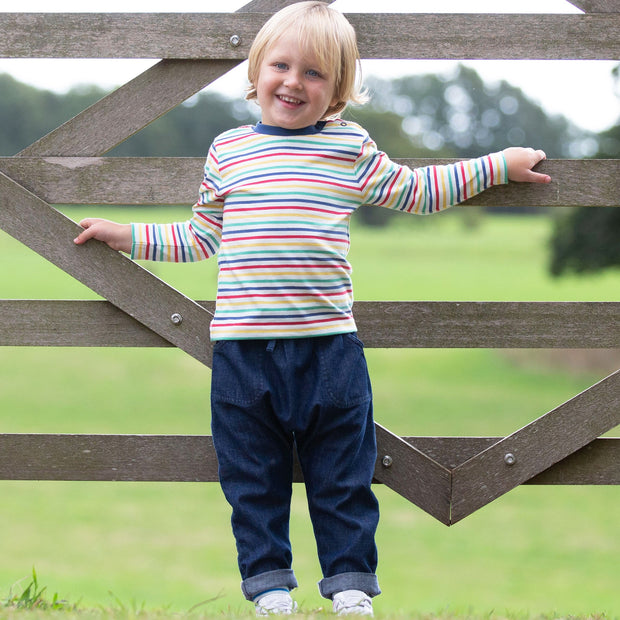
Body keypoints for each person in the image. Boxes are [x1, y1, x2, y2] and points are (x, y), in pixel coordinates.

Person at [74, 2, 551, 616]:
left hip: (330, 349)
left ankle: (351, 586)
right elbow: (200, 237)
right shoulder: (228, 151)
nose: (294, 82)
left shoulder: (348, 146)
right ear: (258, 69)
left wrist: (498, 167)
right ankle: (270, 587)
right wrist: (127, 235)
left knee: (343, 474)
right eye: (281, 65)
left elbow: (416, 191)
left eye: (316, 73)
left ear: (339, 90)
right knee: (250, 479)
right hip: (243, 355)